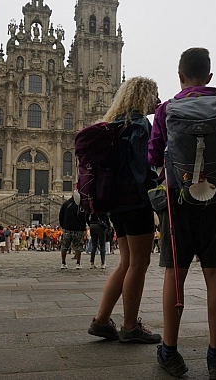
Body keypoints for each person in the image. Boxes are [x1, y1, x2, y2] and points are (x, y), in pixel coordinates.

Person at [147, 48, 216, 378]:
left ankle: (170, 352)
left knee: (175, 273)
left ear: (180, 76)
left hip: (176, 201)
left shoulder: (167, 109)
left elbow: (153, 155)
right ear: (209, 77)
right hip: (215, 200)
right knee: (215, 274)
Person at [88, 76, 161, 346]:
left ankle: (102, 320)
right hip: (135, 202)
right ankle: (130, 326)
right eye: (154, 94)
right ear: (143, 97)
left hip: (115, 204)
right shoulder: (140, 126)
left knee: (126, 263)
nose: (158, 99)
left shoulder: (113, 124)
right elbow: (144, 169)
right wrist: (156, 196)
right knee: (139, 264)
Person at [58, 196, 86, 269]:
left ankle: (63, 263)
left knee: (64, 246)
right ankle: (78, 263)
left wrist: (63, 225)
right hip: (78, 229)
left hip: (67, 228)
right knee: (78, 247)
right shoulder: (81, 205)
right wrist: (83, 228)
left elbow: (61, 216)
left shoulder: (66, 204)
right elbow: (84, 218)